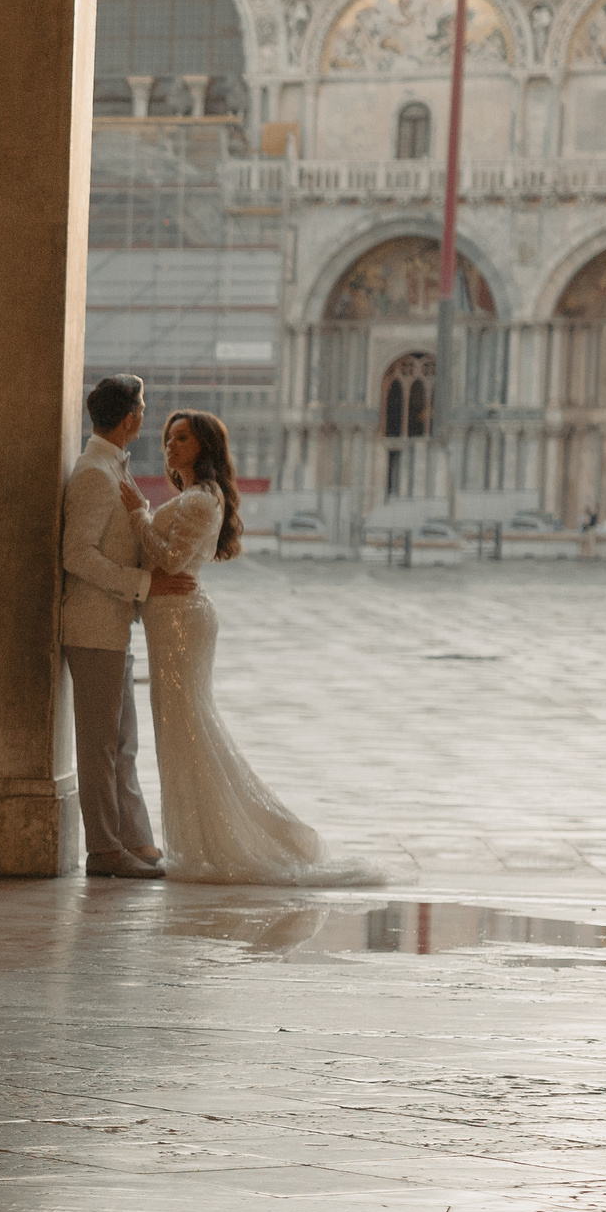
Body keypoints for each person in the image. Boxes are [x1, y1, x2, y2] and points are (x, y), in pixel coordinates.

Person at [116, 410, 384, 887]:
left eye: (182, 438)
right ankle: (200, 838)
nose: (171, 445)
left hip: (181, 622)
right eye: (168, 437)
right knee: (185, 729)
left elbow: (173, 560)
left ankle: (218, 842)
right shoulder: (196, 496)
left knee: (188, 730)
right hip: (173, 619)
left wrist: (138, 512)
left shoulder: (201, 499)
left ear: (204, 447)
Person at [60, 374, 166, 879]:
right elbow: (75, 554)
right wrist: (139, 583)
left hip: (114, 629)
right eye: (143, 409)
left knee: (122, 742)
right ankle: (103, 850)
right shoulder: (95, 475)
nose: (144, 417)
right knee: (100, 744)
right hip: (93, 629)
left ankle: (134, 840)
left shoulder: (112, 469)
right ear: (132, 419)